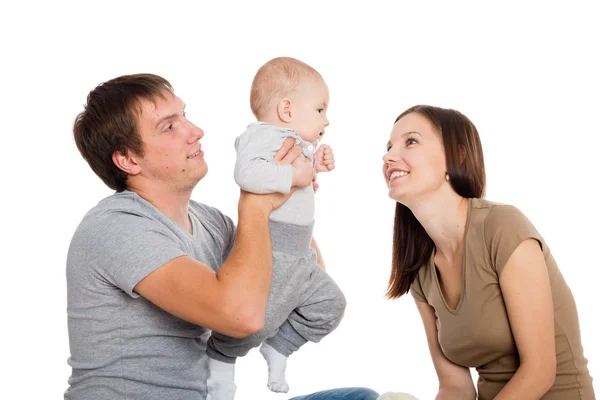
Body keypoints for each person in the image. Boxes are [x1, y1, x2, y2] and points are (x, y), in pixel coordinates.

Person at [65, 73, 379, 400]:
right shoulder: (117, 226)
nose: (195, 131)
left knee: (361, 398)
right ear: (128, 160)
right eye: (169, 126)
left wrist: (288, 205)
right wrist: (256, 205)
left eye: (184, 116)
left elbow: (296, 285)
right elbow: (242, 317)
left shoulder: (211, 224)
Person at [382, 105, 594, 399]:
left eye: (411, 141)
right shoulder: (419, 269)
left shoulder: (502, 227)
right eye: (389, 146)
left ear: (456, 155)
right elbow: (455, 387)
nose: (388, 156)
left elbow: (540, 371)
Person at [206, 57, 346, 400]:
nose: (326, 119)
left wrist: (316, 164)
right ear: (286, 109)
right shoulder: (262, 136)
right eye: (320, 109)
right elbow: (247, 174)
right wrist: (294, 176)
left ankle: (279, 348)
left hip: (301, 254)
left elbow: (293, 177)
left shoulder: (292, 142)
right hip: (274, 252)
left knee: (331, 305)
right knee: (254, 323)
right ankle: (219, 369)